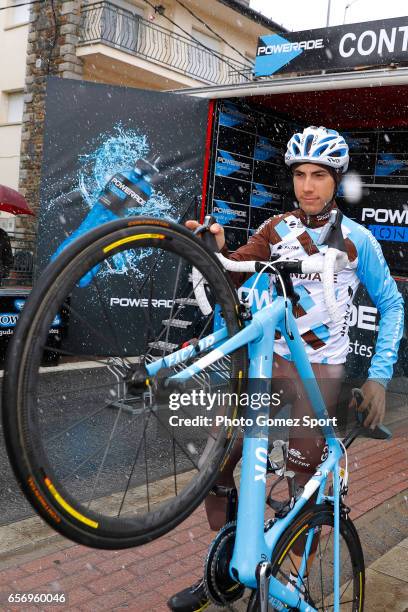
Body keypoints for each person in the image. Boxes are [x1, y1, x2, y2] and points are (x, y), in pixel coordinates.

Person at [167, 126, 404, 612]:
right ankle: (229, 569)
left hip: (321, 374)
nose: (308, 186)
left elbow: (393, 306)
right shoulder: (276, 228)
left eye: (319, 175)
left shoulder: (358, 240)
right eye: (300, 174)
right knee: (219, 457)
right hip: (271, 363)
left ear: (336, 181)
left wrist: (379, 376)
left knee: (303, 486)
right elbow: (229, 273)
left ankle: (290, 584)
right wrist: (216, 244)